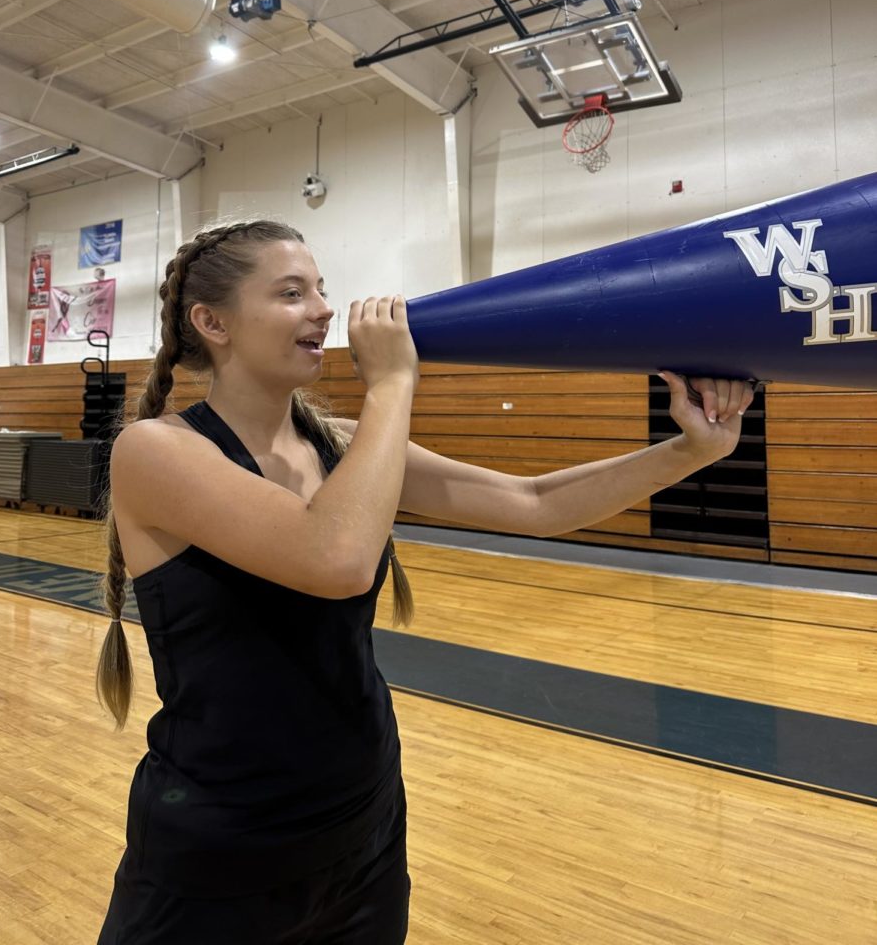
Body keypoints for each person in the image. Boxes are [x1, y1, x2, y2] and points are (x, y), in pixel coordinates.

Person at [95, 218, 754, 944]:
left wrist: (692, 450)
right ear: (211, 322)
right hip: (221, 846)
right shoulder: (154, 450)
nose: (323, 309)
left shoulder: (343, 443)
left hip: (364, 826)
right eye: (291, 293)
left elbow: (534, 504)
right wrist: (394, 383)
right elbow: (337, 560)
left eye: (322, 289)